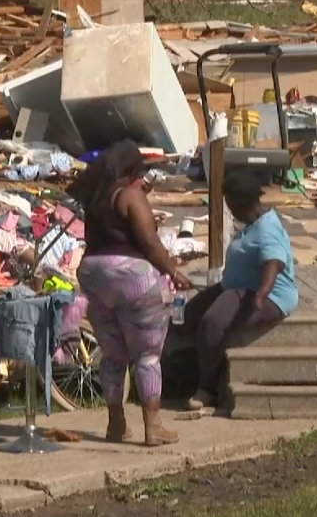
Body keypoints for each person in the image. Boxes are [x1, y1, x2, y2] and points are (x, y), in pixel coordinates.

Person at [69, 139, 193, 447]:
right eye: (139, 173)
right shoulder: (130, 195)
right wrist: (174, 272)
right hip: (132, 277)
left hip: (94, 274)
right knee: (147, 356)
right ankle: (154, 426)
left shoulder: (96, 200)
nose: (142, 179)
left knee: (113, 355)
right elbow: (150, 243)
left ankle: (116, 424)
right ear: (130, 172)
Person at [182, 170, 298, 411]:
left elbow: (273, 262)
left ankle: (207, 388)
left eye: (229, 204)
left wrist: (262, 294)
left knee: (212, 322)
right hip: (237, 287)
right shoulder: (251, 223)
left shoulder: (267, 229)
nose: (229, 209)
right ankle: (201, 367)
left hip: (267, 295)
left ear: (240, 202)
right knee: (191, 311)